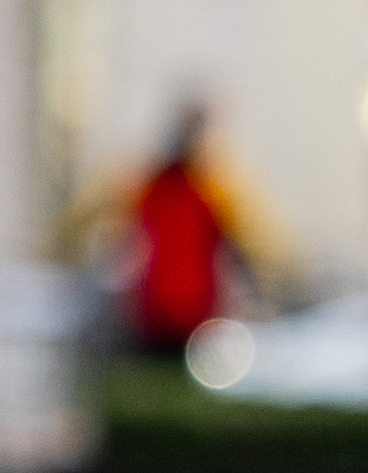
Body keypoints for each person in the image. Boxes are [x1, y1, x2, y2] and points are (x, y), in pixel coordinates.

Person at [112, 96, 272, 360]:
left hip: (186, 310)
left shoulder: (202, 188)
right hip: (164, 309)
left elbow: (236, 243)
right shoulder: (165, 186)